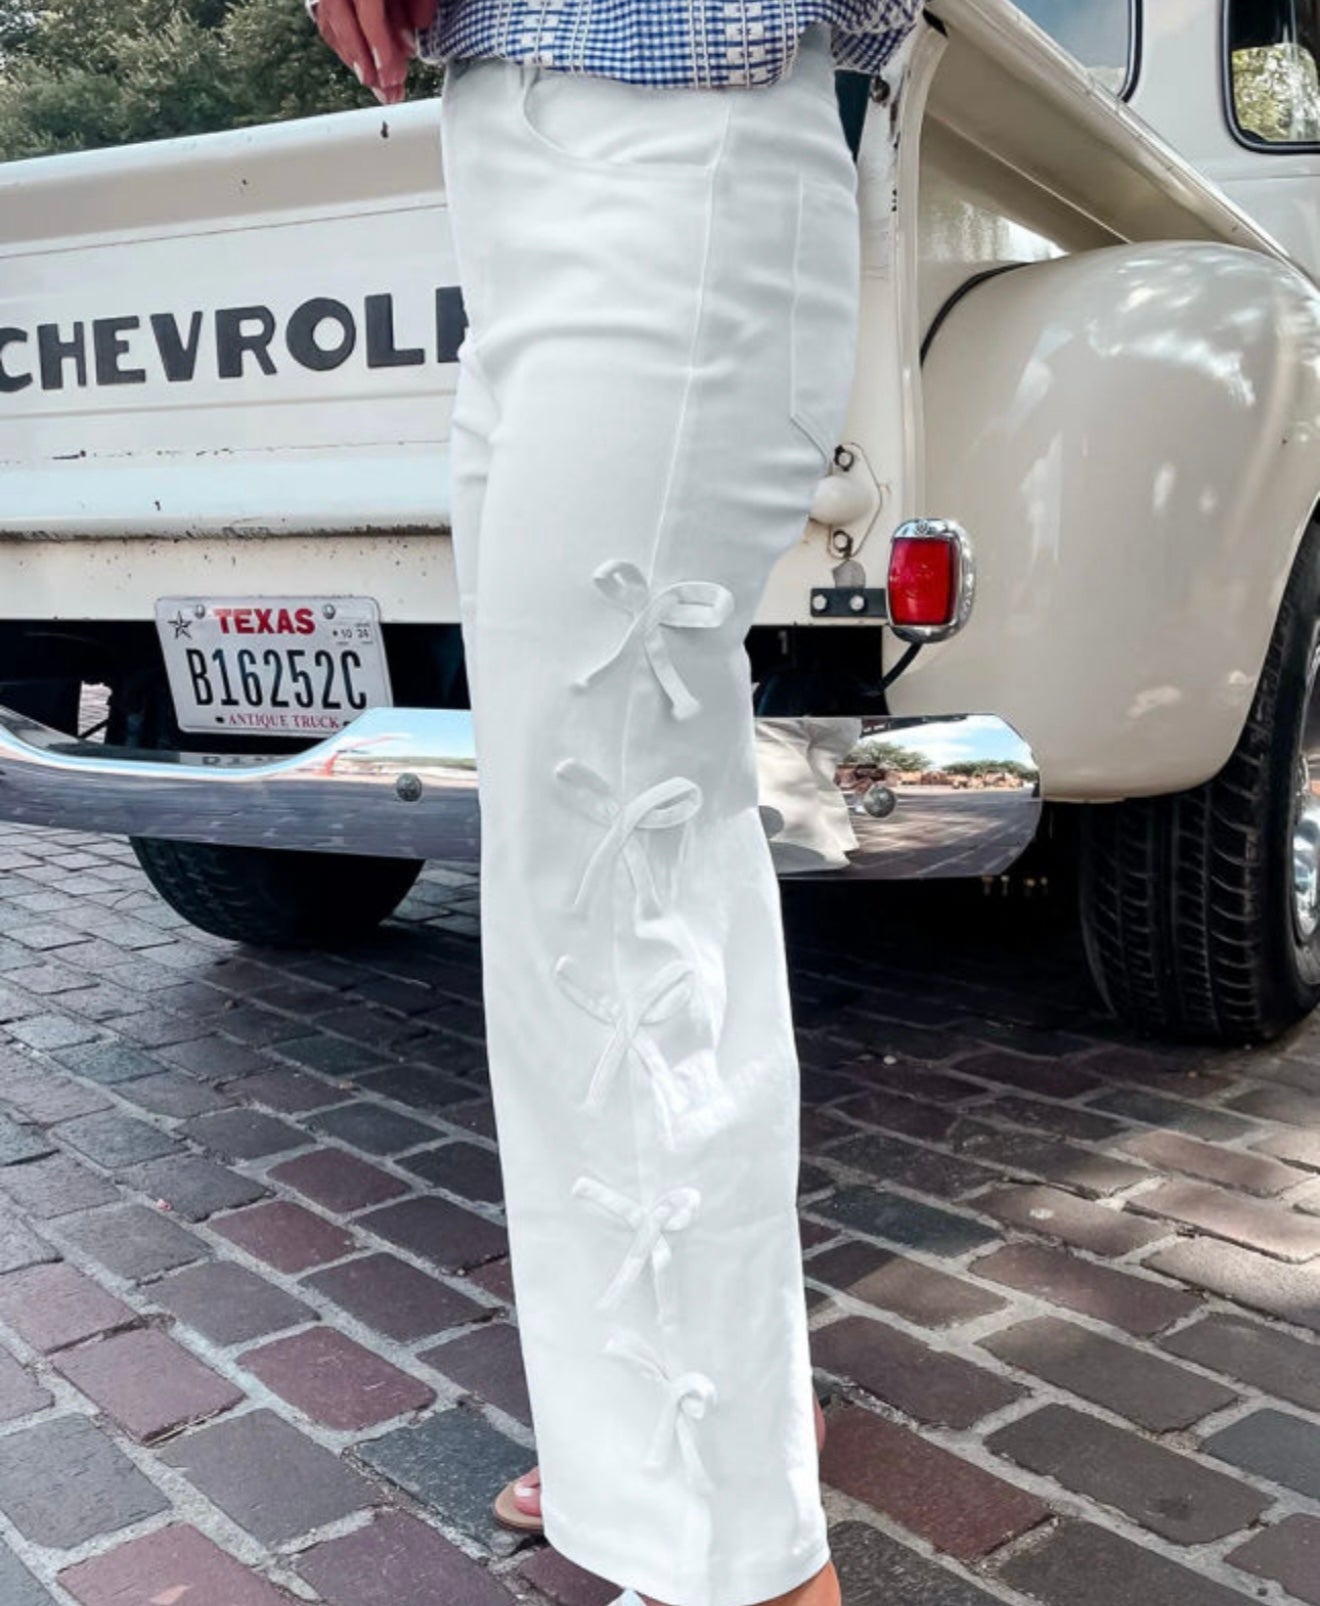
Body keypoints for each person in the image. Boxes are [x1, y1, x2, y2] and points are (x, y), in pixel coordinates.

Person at [308, 5, 921, 1605]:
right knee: (588, 858)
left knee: (609, 868)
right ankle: (670, 1439)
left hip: (689, 129)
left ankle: (740, 1559)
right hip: (508, 146)